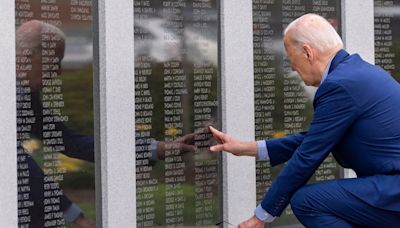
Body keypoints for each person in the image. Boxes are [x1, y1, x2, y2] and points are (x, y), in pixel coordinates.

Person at [209, 13, 400, 227]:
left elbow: (308, 156)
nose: (292, 67)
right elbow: (314, 140)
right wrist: (247, 148)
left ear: (308, 52)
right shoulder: (357, 73)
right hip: (391, 188)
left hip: (394, 189)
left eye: (291, 58)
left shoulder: (340, 85)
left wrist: (260, 216)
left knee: (307, 201)